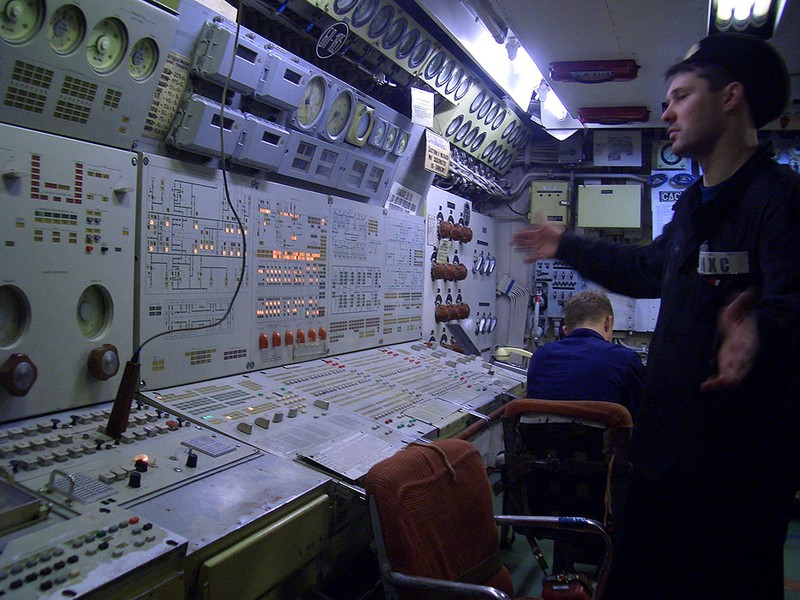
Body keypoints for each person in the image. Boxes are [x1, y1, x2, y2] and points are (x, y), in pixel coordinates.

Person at [512, 32, 800, 600]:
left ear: (730, 97)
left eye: (681, 95)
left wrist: (759, 329)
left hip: (734, 476)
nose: (665, 111)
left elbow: (793, 301)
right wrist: (564, 243)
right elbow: (646, 270)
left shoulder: (779, 198)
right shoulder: (695, 207)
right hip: (663, 460)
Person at [526, 289, 643, 417]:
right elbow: (637, 417)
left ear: (565, 330)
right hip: (601, 436)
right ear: (607, 323)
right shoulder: (626, 359)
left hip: (545, 436)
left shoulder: (541, 356)